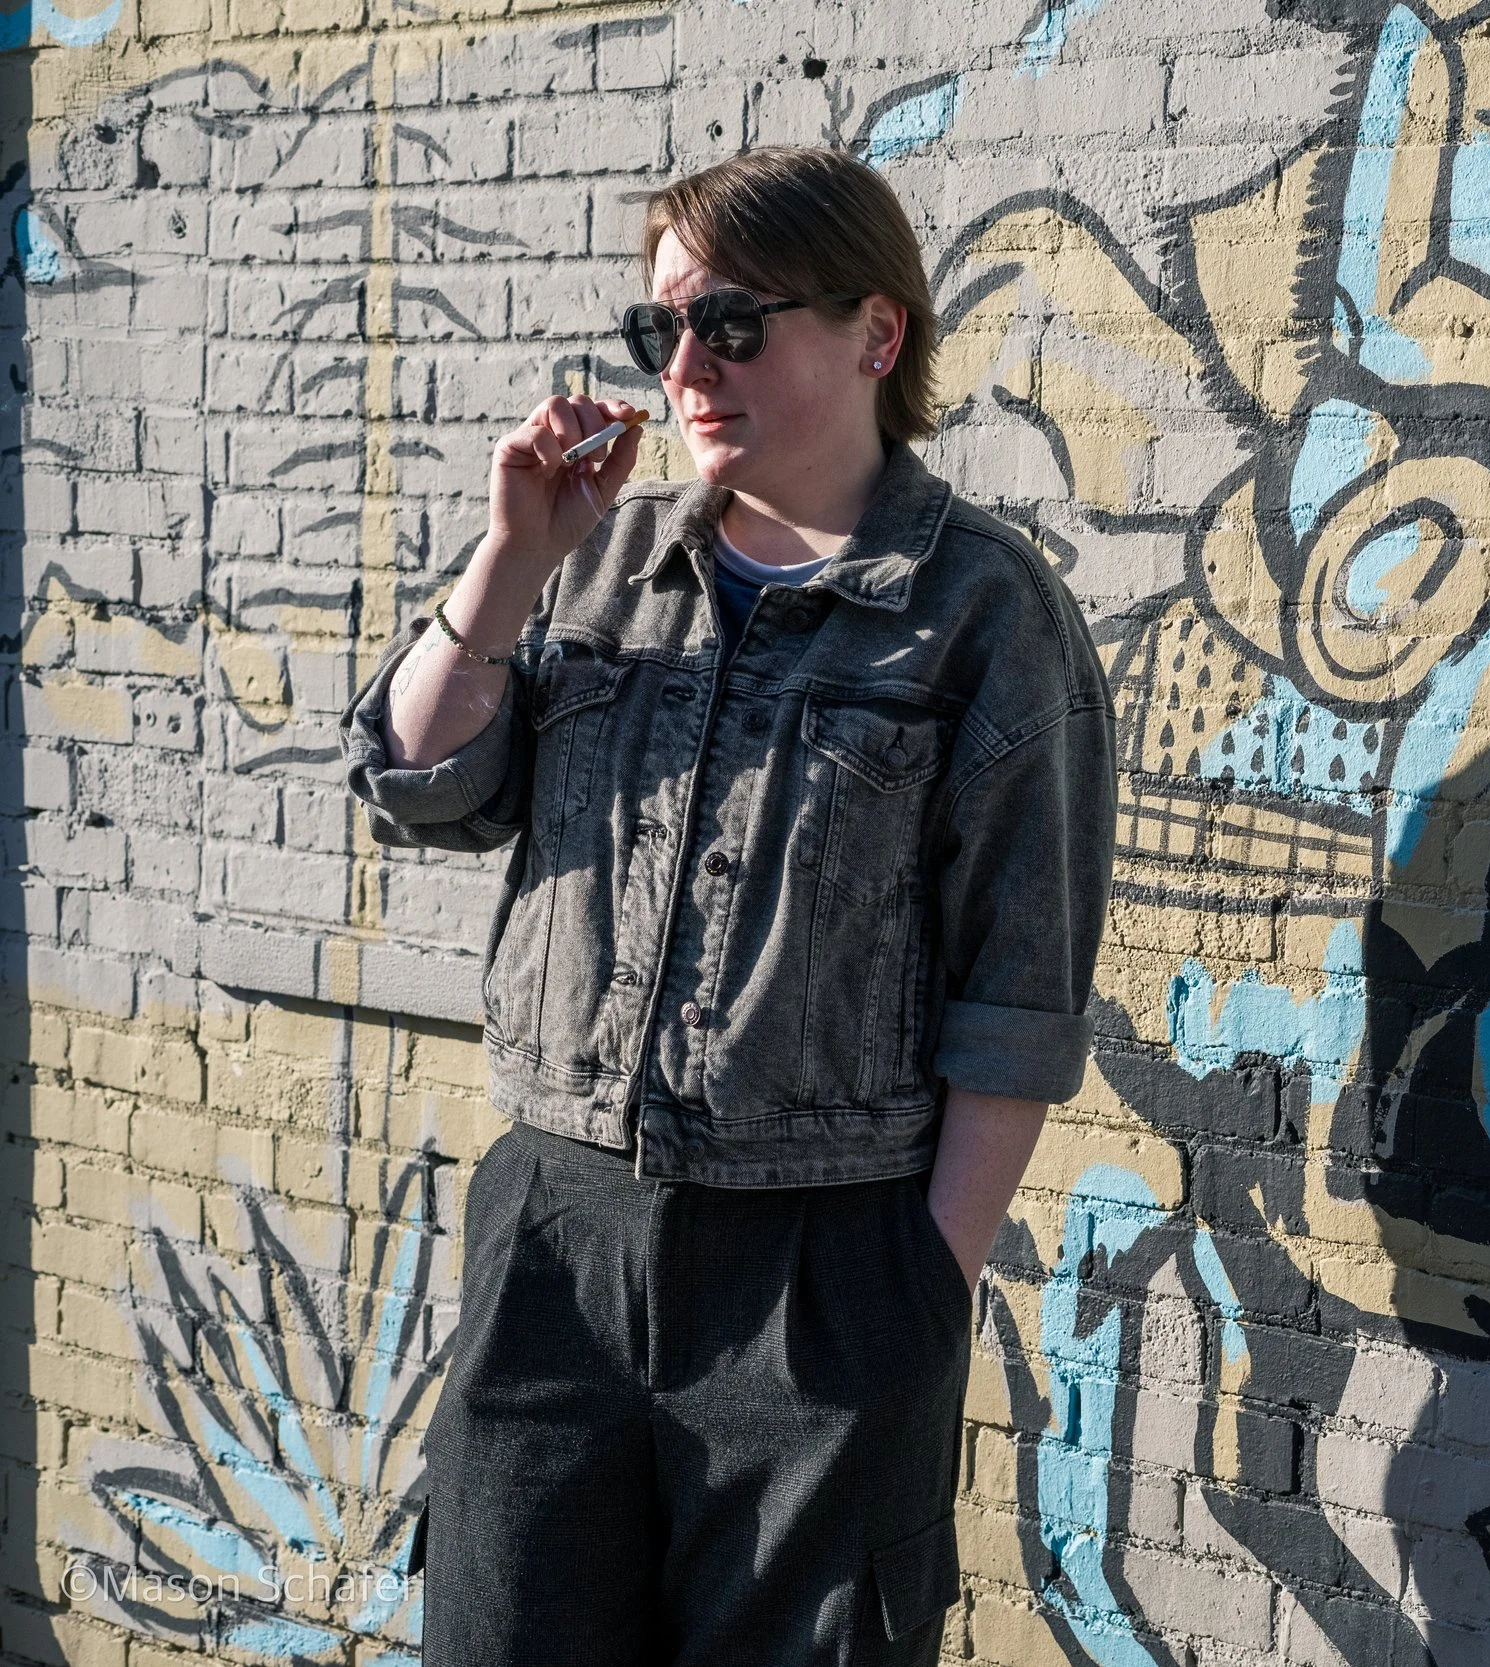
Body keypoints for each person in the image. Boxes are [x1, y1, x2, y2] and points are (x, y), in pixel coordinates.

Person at [340, 145, 1114, 1666]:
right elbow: (420, 781)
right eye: (662, 331)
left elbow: (1019, 1004)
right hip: (556, 1239)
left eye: (735, 324)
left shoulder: (984, 615)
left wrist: (913, 1300)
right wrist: (509, 558)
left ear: (876, 334)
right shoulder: (597, 562)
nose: (686, 367)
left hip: (821, 1275)